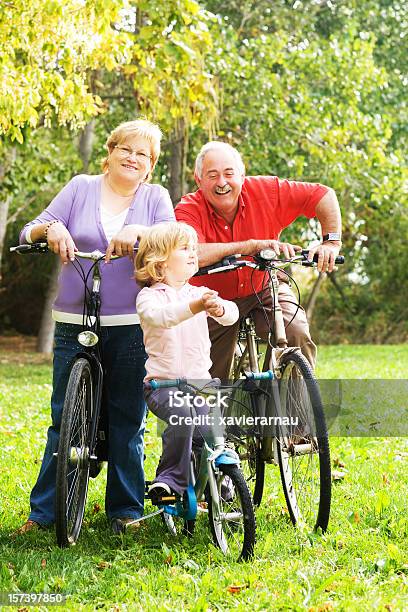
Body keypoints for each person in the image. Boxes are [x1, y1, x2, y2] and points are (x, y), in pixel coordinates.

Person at [15, 119, 175, 535]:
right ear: (110, 152)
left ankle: (125, 510)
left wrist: (140, 231)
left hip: (129, 322)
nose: (132, 157)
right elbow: (29, 228)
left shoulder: (155, 198)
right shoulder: (80, 187)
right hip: (74, 319)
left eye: (142, 154)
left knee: (127, 419)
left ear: (150, 165)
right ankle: (45, 512)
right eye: (126, 148)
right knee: (62, 418)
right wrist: (53, 227)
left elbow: (172, 240)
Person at [175, 141, 342, 378]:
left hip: (262, 285)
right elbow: (192, 253)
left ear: (242, 175)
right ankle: (212, 410)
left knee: (296, 332)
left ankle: (299, 410)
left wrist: (331, 242)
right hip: (212, 299)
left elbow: (322, 195)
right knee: (205, 376)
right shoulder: (188, 207)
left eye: (229, 174)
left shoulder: (268, 191)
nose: (222, 182)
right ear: (198, 179)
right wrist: (252, 246)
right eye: (212, 175)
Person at [135, 222, 238, 501]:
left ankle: (220, 482)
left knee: (210, 432)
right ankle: (169, 479)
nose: (193, 253)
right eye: (184, 248)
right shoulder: (148, 297)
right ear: (159, 262)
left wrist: (220, 308)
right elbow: (162, 318)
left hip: (200, 383)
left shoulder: (199, 292)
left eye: (193, 248)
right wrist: (198, 306)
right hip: (162, 385)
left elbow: (232, 315)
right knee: (182, 416)